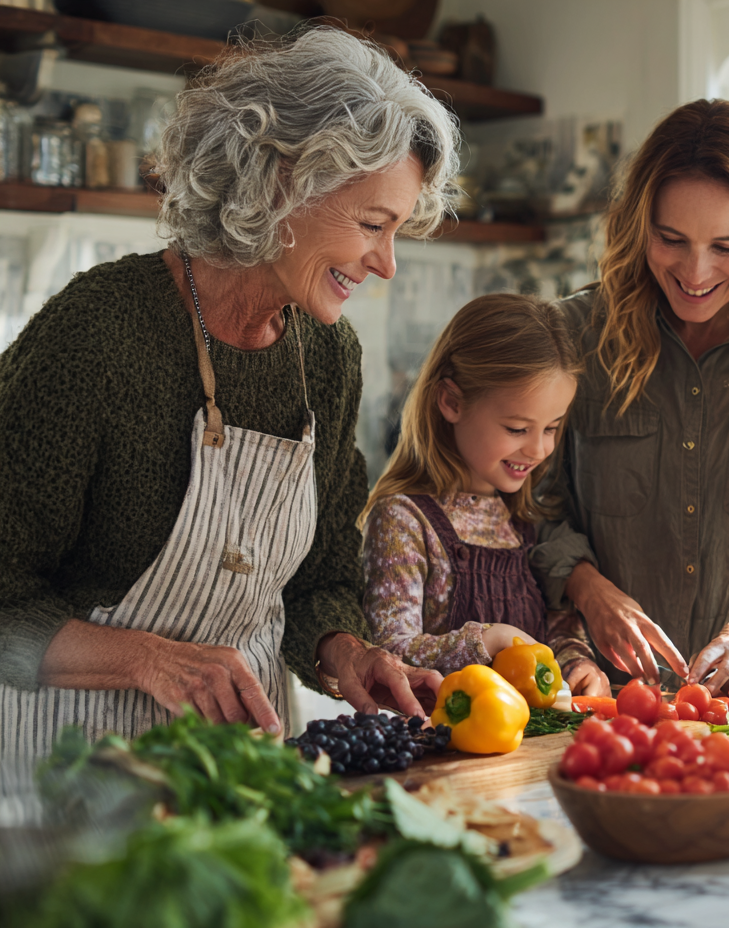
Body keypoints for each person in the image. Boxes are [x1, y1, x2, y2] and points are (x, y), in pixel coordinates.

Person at [0, 28, 459, 782]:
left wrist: (343, 650)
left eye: (397, 230)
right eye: (373, 225)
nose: (387, 262)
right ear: (282, 181)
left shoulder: (326, 355)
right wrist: (148, 660)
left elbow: (318, 579)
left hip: (235, 785)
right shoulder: (98, 334)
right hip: (62, 790)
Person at [533, 99, 729, 697]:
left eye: (727, 246)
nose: (695, 271)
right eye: (671, 239)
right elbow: (530, 509)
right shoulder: (572, 337)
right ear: (641, 226)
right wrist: (588, 589)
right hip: (599, 703)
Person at [360, 293, 608, 692]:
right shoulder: (403, 519)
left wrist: (579, 663)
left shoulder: (526, 516)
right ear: (451, 402)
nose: (538, 450)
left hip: (528, 747)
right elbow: (390, 654)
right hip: (440, 745)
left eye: (551, 428)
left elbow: (559, 628)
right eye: (516, 429)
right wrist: (484, 642)